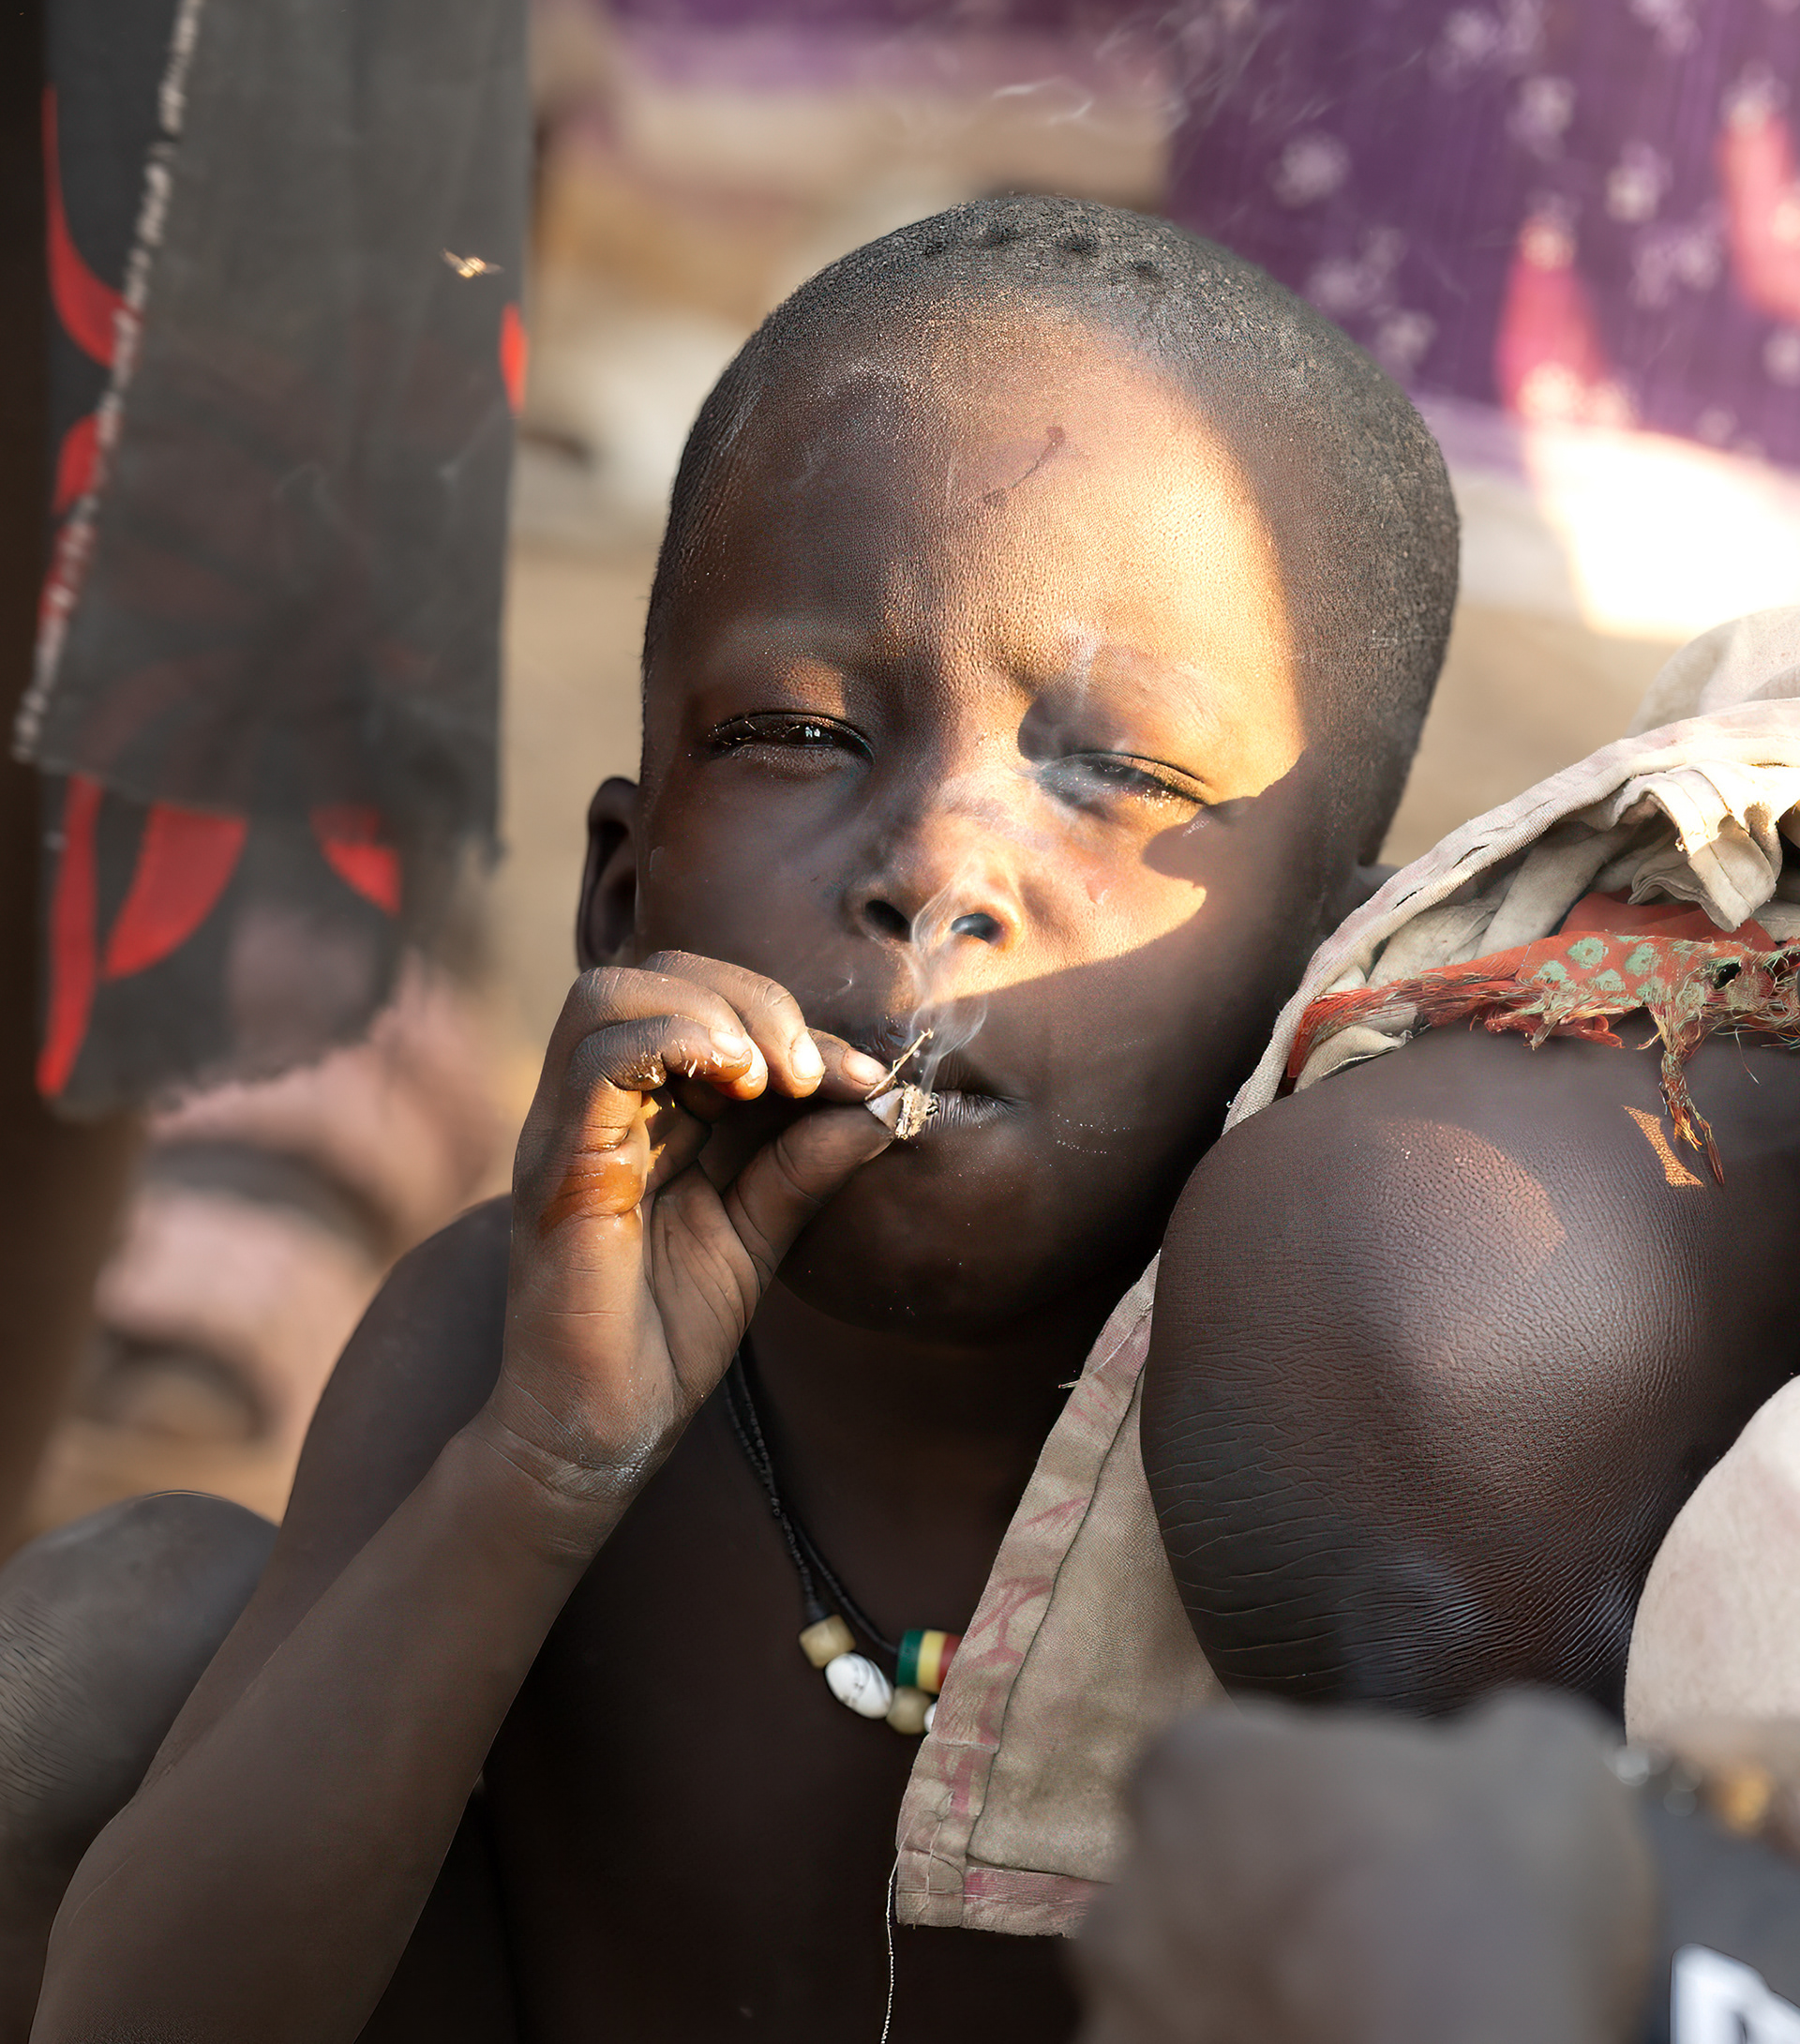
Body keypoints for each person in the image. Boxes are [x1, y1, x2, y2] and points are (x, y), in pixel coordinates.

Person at [12, 196, 1798, 2038]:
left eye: (1118, 777)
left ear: (1331, 951)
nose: (935, 866)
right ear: (621, 890)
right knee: (115, 1635)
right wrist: (538, 1480)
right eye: (798, 733)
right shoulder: (493, 1347)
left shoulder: (1365, 1468)